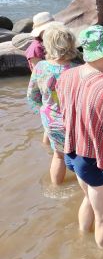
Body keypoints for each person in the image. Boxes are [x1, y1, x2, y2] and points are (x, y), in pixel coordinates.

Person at [56, 25, 103, 249]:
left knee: (88, 199)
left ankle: (82, 240)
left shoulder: (66, 76)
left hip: (72, 152)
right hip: (98, 160)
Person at [27, 24, 78, 185]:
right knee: (82, 155)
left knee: (58, 155)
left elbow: (32, 96)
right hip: (74, 121)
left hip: (50, 119)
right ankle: (85, 188)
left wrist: (46, 110)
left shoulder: (41, 67)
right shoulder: (79, 69)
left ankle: (56, 189)